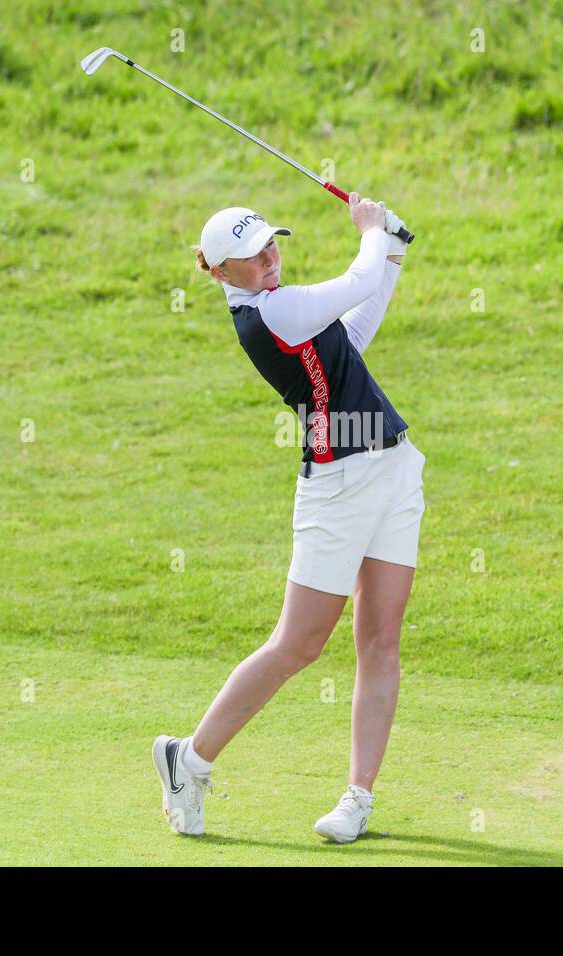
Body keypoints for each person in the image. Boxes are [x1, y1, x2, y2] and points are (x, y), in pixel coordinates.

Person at [153, 193, 426, 843]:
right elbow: (353, 283)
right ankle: (187, 760)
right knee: (299, 644)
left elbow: (352, 336)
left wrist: (390, 255)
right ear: (220, 273)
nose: (270, 257)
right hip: (336, 485)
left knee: (381, 640)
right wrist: (369, 234)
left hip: (393, 467)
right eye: (251, 257)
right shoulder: (269, 314)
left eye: (271, 243)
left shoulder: (285, 305)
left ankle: (358, 798)